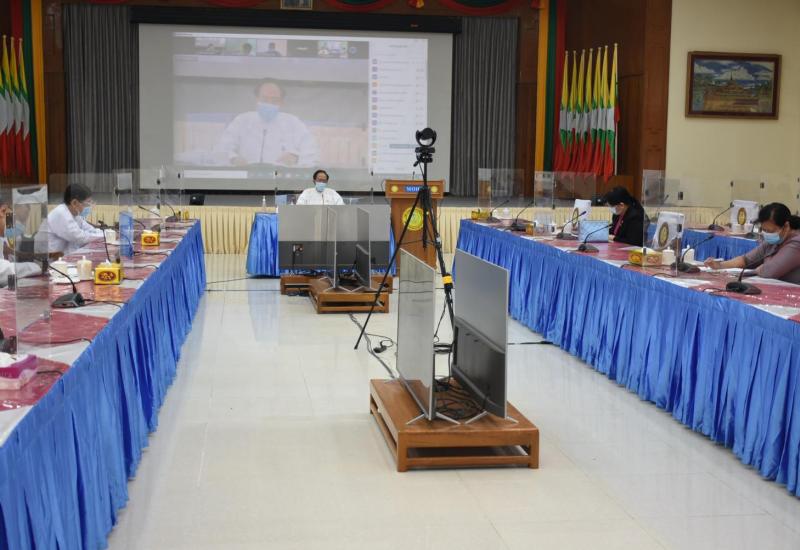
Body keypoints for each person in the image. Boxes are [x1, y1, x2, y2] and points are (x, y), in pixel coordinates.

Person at [213, 79, 318, 167]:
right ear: (257, 99)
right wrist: (233, 158)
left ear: (281, 102)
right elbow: (221, 149)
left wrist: (296, 157)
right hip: (245, 179)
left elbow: (312, 152)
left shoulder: (293, 123)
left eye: (274, 100)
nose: (269, 103)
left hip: (281, 179)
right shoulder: (242, 120)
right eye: (264, 99)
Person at [704, 202, 800, 284]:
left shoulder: (797, 242)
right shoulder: (774, 240)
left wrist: (759, 269)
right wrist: (720, 265)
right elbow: (745, 260)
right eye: (764, 230)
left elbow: (769, 272)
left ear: (786, 226)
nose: (767, 234)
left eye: (770, 231)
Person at [40, 183, 104, 256]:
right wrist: (105, 236)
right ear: (74, 203)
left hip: (67, 254)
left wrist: (108, 233)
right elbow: (80, 238)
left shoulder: (75, 214)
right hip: (52, 259)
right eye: (87, 203)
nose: (89, 206)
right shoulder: (61, 213)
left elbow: (90, 229)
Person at [0, 197, 41, 286]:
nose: (27, 213)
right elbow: (3, 270)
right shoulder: (10, 223)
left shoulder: (10, 226)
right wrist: (35, 267)